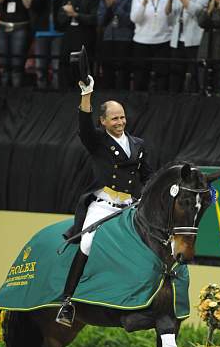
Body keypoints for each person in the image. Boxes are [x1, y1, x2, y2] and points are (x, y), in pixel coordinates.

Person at [56, 73, 153, 327]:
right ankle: (67, 302)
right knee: (87, 243)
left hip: (130, 206)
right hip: (103, 205)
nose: (120, 122)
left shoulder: (138, 144)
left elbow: (147, 175)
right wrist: (86, 94)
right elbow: (84, 126)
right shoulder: (97, 141)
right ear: (103, 121)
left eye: (122, 117)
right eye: (114, 118)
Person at [166, 0, 211, 92]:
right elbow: (169, 15)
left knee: (194, 73)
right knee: (175, 73)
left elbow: (195, 10)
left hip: (193, 39)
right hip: (177, 38)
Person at [57, 0, 101, 88]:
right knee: (65, 66)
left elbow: (94, 19)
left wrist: (75, 15)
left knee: (82, 70)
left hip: (85, 37)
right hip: (69, 36)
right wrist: (68, 15)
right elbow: (60, 17)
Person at [130, 0, 172, 91]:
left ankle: (160, 107)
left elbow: (171, 19)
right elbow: (135, 19)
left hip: (163, 41)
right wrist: (144, 1)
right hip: (141, 42)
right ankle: (139, 107)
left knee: (162, 78)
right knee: (140, 77)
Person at [97, 0, 134, 89]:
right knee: (107, 70)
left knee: (123, 71)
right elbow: (101, 20)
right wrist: (108, 7)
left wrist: (115, 6)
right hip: (108, 38)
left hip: (124, 37)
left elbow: (130, 19)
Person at [29, 0, 65, 88]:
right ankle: (41, 95)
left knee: (56, 68)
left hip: (58, 33)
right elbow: (35, 8)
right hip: (42, 32)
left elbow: (64, 10)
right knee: (40, 67)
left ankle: (56, 97)